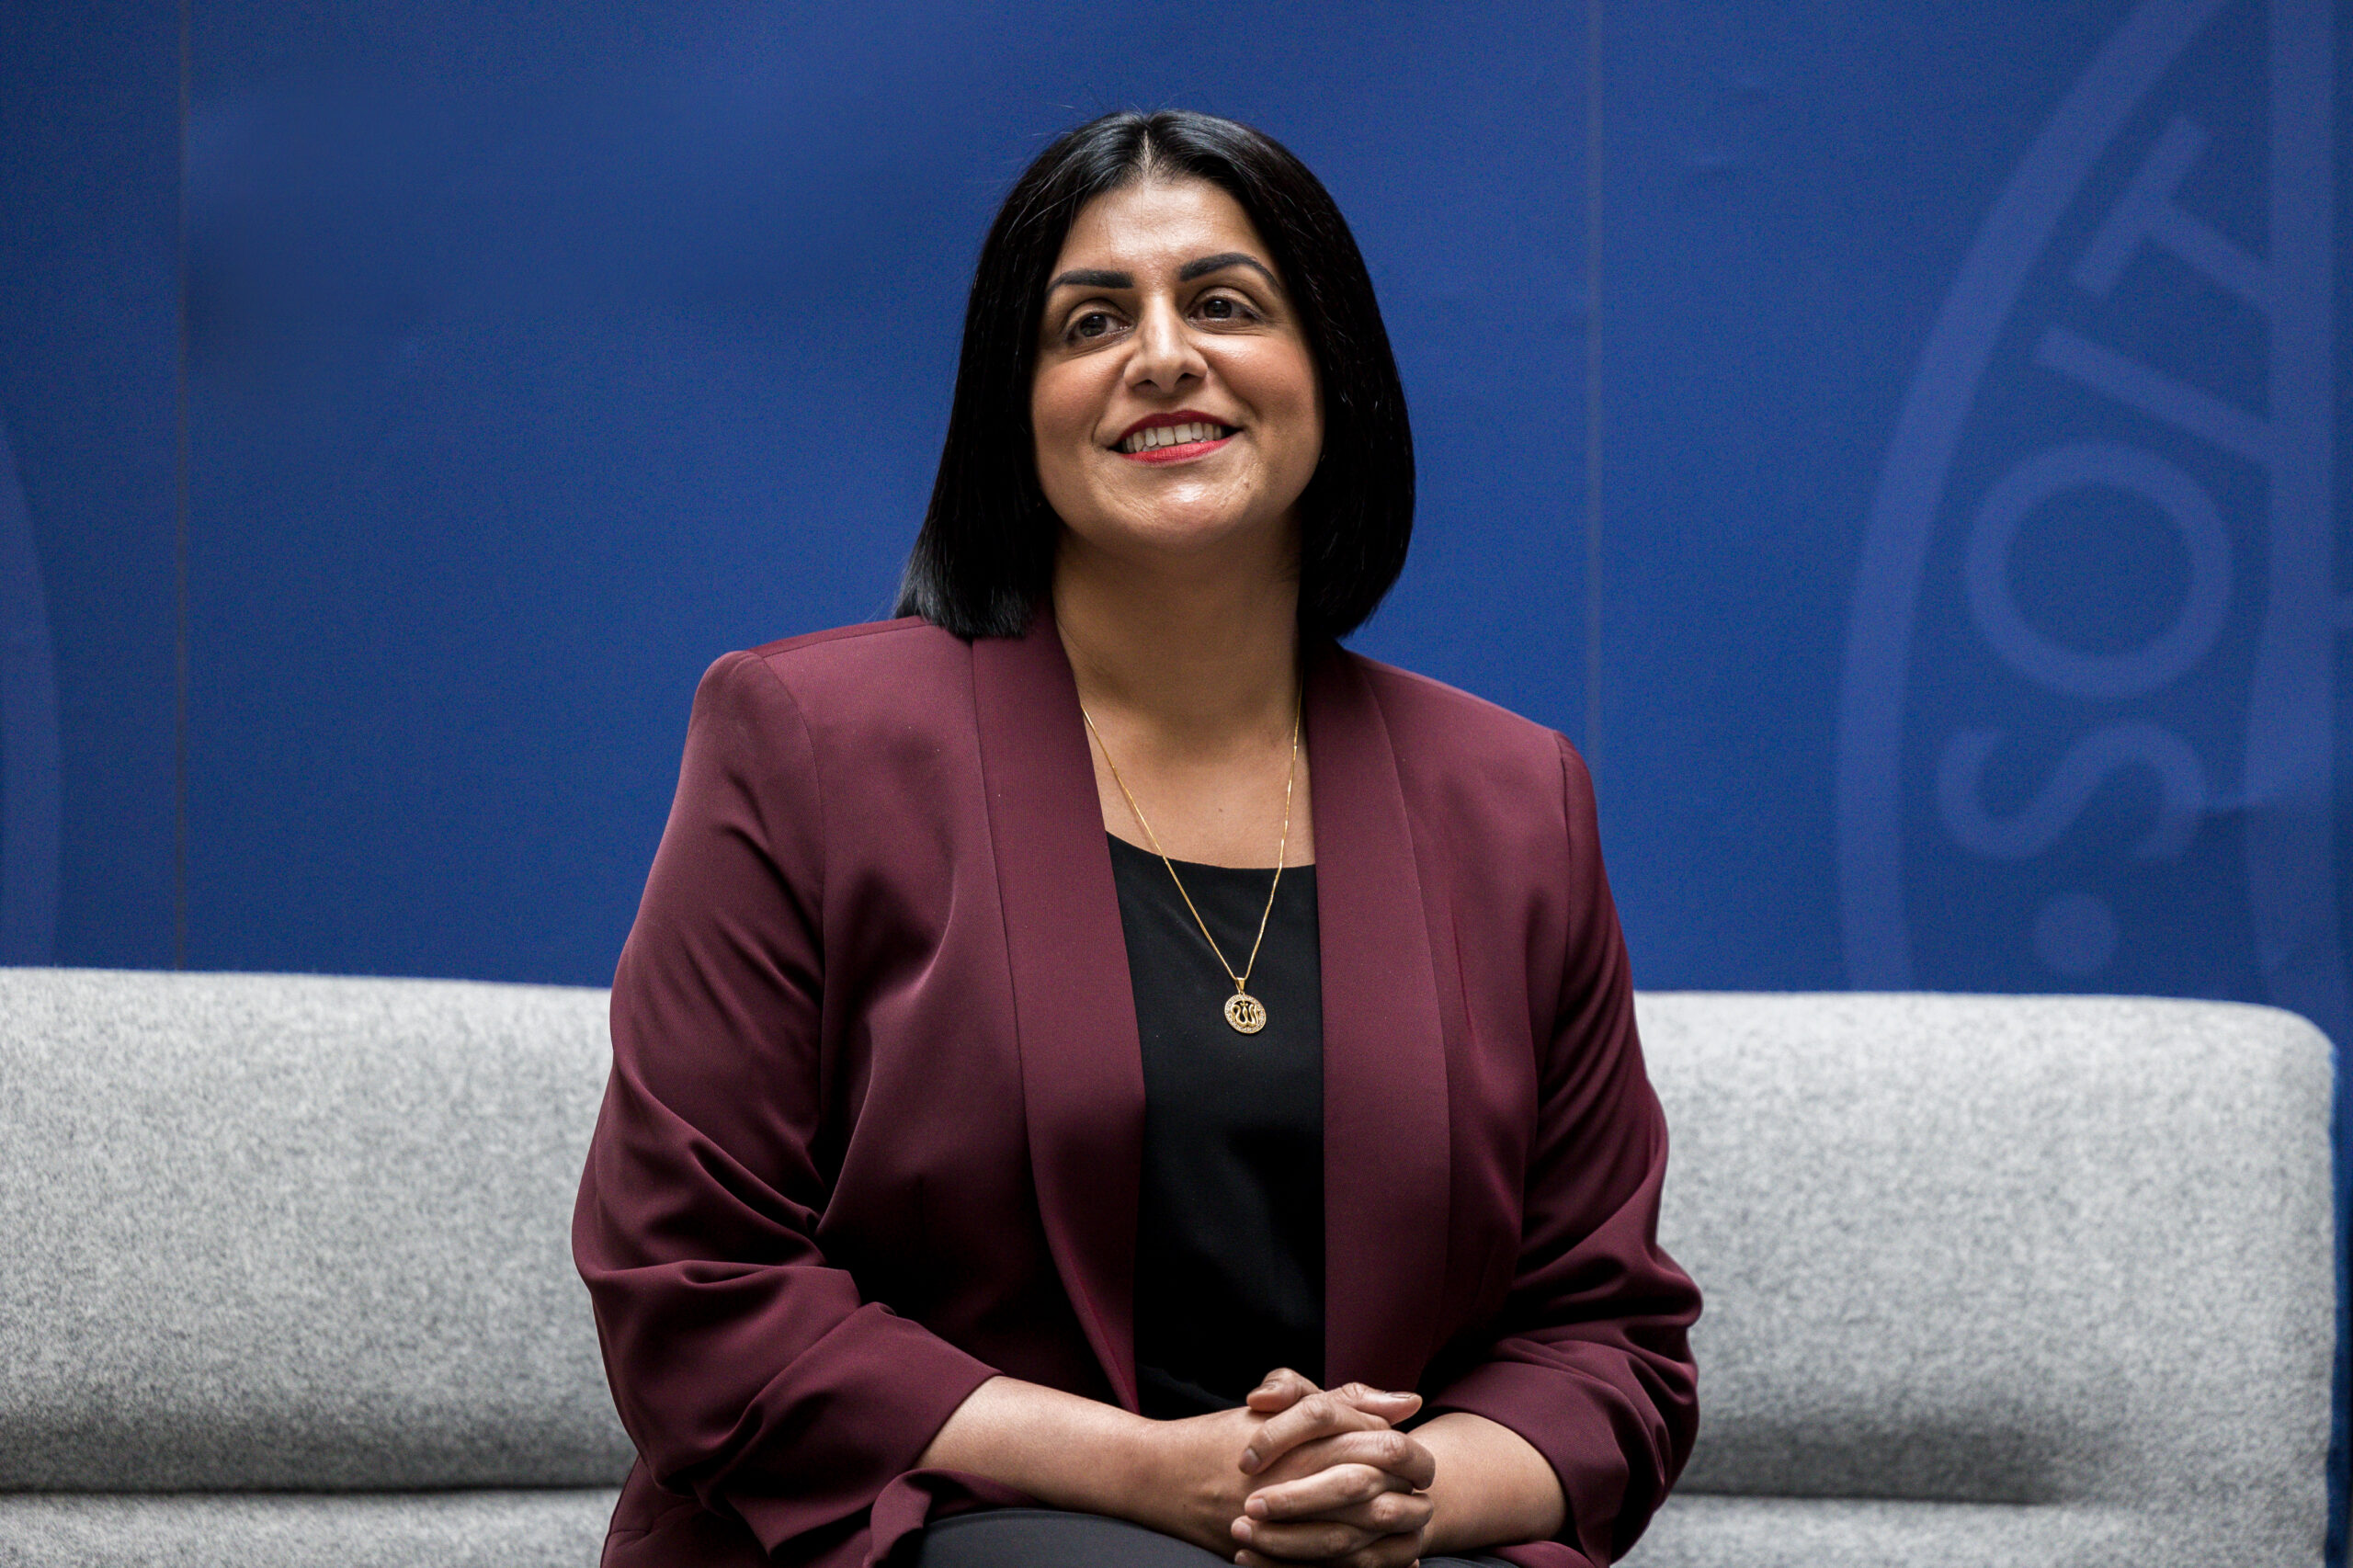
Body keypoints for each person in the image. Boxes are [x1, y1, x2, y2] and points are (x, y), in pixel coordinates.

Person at [574, 109, 1699, 1568]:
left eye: (1225, 304)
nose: (1162, 355)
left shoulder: (1511, 800)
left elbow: (1606, 1337)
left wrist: (1400, 1487)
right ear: (1016, 406)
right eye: (1090, 321)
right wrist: (1155, 1474)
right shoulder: (809, 743)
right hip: (951, 1525)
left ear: (1333, 373)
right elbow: (694, 1278)